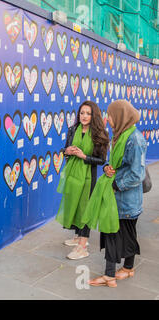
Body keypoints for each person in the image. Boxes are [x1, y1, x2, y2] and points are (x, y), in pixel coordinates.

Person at [85, 99, 146, 288]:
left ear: (120, 116)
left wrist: (115, 185)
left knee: (112, 233)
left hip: (125, 199)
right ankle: (128, 268)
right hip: (121, 198)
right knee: (126, 235)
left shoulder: (134, 139)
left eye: (110, 116)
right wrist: (107, 170)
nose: (108, 119)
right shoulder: (120, 135)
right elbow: (117, 165)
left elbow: (137, 173)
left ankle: (109, 275)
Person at [56, 101, 110, 260]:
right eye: (82, 113)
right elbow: (64, 150)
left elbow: (101, 160)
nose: (84, 116)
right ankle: (78, 236)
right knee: (73, 204)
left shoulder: (99, 133)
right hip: (72, 175)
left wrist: (83, 156)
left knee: (85, 208)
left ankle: (82, 247)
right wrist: (67, 151)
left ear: (94, 116)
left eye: (88, 113)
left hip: (88, 177)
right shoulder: (73, 129)